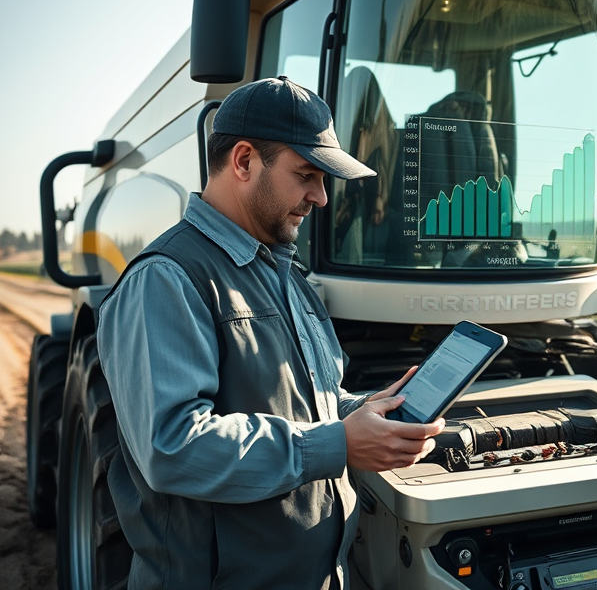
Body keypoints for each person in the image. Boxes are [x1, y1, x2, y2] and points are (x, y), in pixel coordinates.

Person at [97, 77, 445, 589]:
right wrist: (338, 445)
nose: (321, 198)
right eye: (306, 175)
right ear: (243, 161)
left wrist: (365, 412)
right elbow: (173, 446)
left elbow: (302, 403)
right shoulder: (166, 279)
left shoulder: (286, 272)